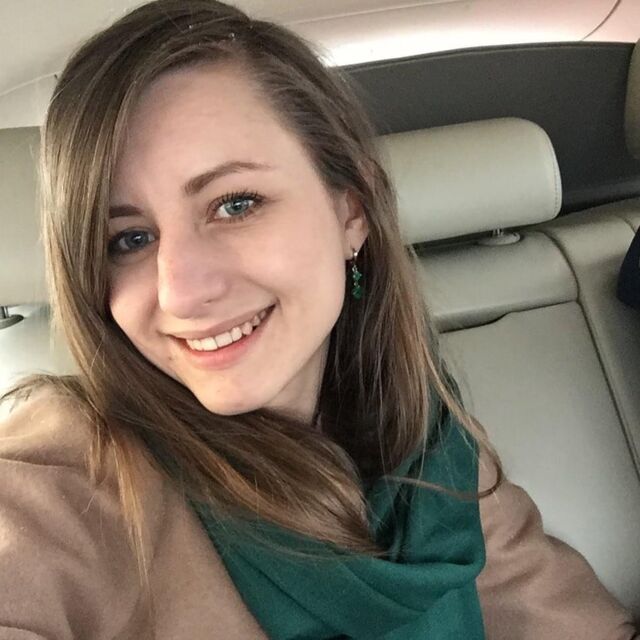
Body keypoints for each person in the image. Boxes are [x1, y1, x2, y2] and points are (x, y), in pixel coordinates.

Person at [0, 1, 637, 638]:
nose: (182, 292)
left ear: (350, 213)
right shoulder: (72, 476)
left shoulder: (427, 437)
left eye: (234, 204)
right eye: (129, 240)